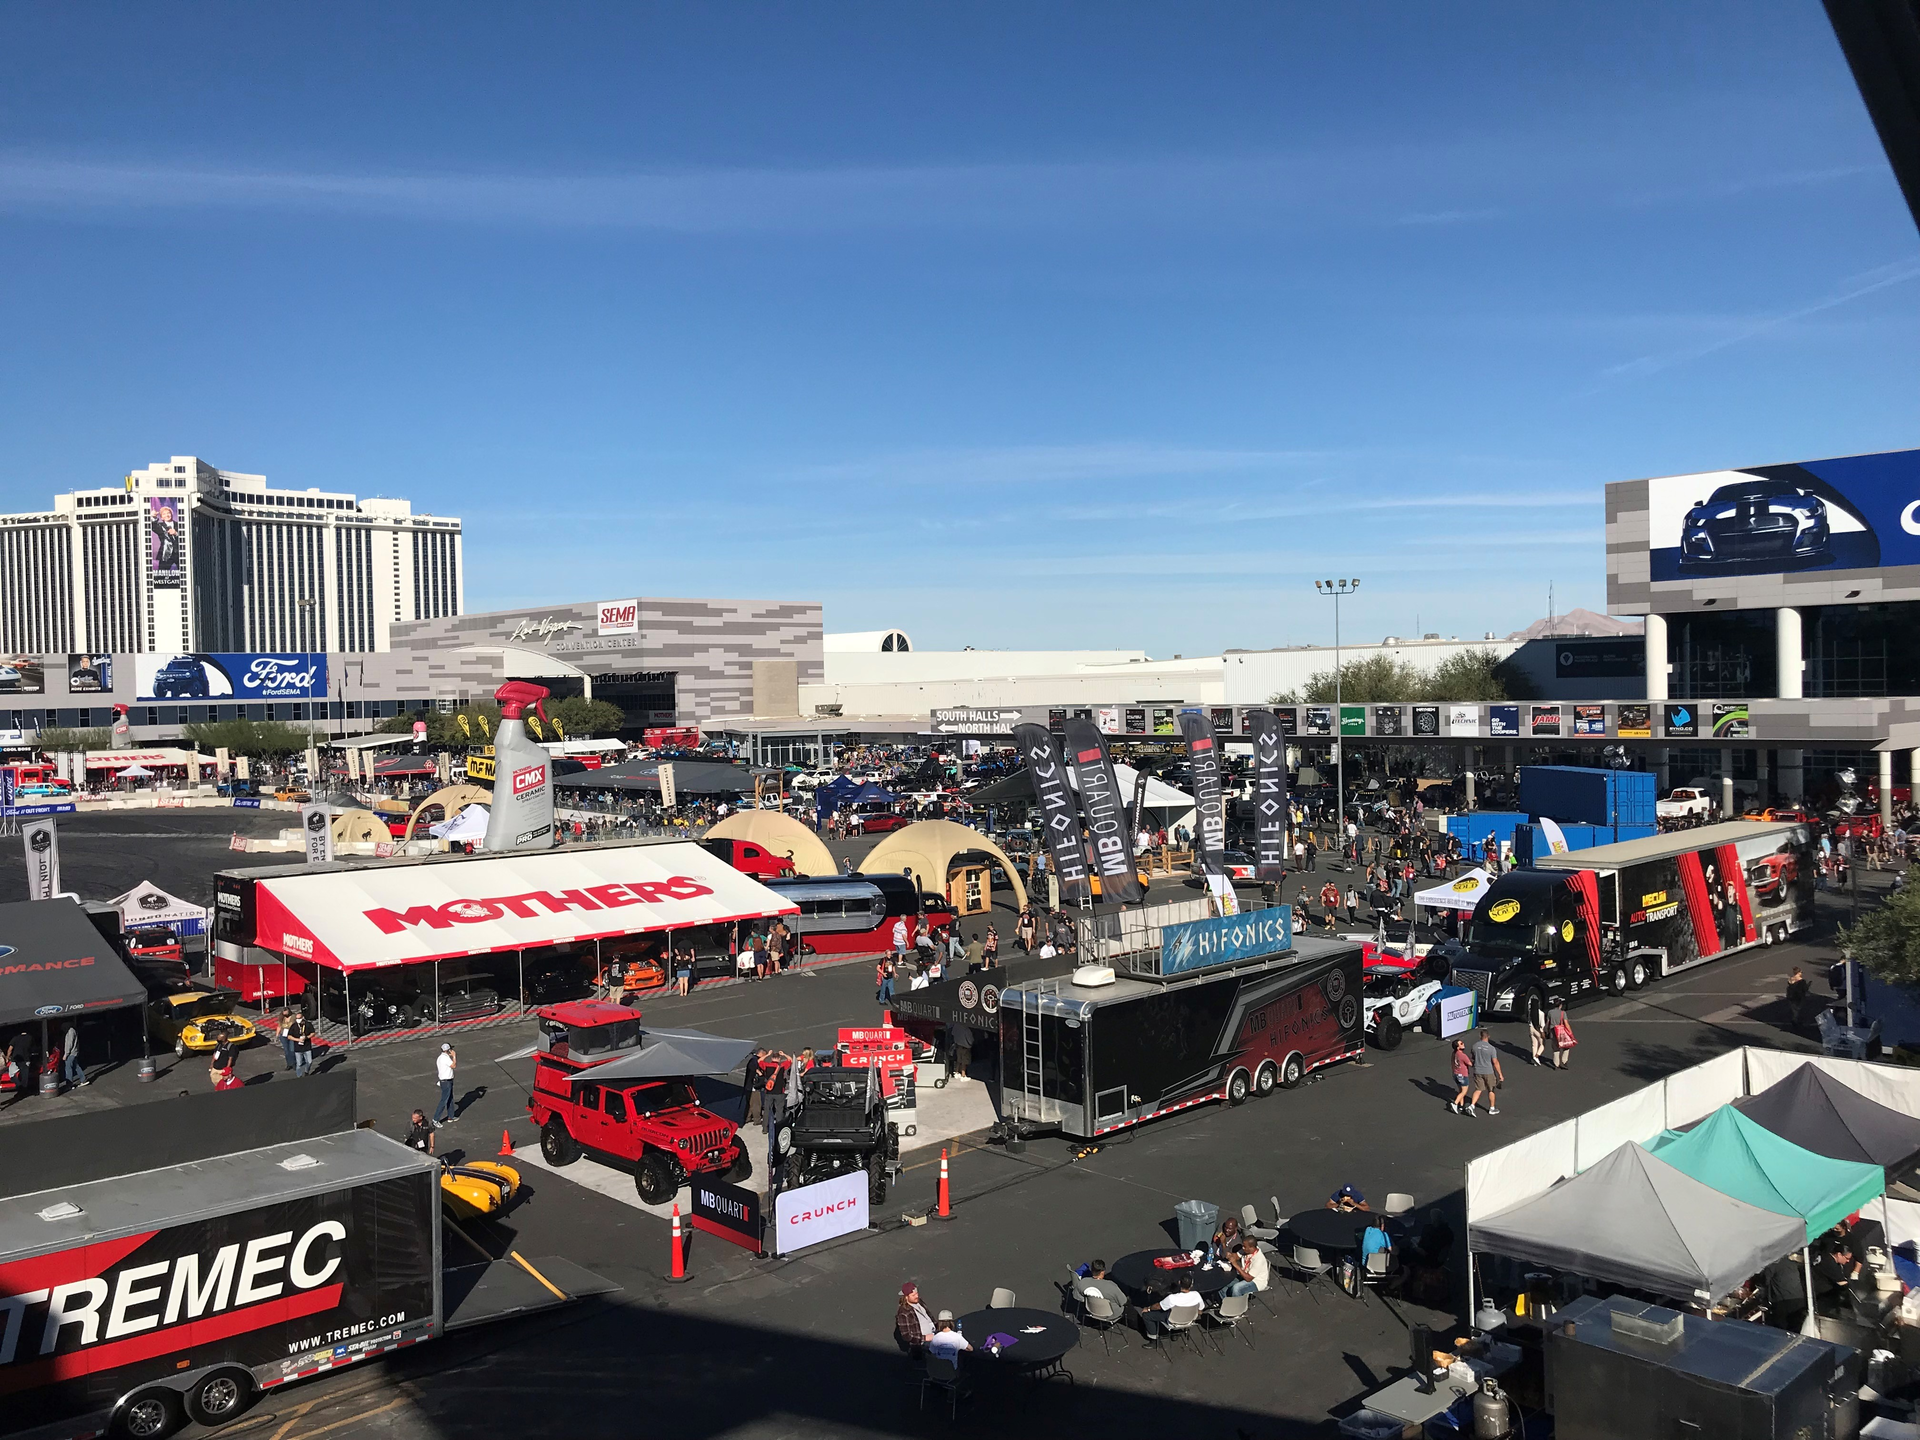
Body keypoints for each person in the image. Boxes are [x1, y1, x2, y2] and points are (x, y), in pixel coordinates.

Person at [1143, 1275, 1204, 1341]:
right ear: (1191, 1285)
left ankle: (1153, 1340)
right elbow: (1200, 1311)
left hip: (1173, 1321)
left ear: (1179, 1282)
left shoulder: (1172, 1298)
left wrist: (1148, 1308)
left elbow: (1158, 1306)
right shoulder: (1197, 1295)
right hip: (1189, 1320)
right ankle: (1176, 1333)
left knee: (1147, 1316)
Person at [1467, 1028, 1504, 1116]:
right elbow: (1495, 1062)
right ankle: (1492, 1108)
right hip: (1488, 1071)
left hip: (1477, 1071)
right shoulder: (1491, 1048)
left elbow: (1472, 1058)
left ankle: (1472, 1106)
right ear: (1488, 1037)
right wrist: (1500, 1075)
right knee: (1491, 1090)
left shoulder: (1474, 1046)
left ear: (1480, 1036)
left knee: (1478, 1089)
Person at [895, 1282, 935, 1355]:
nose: (917, 1296)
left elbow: (929, 1317)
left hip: (933, 1337)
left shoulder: (919, 1302)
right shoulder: (903, 1313)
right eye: (913, 1295)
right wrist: (924, 1338)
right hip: (921, 1346)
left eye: (917, 1293)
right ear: (906, 1297)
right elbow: (906, 1336)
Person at [1447, 1038, 1474, 1114]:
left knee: (1460, 1090)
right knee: (1464, 1091)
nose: (1463, 1044)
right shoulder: (1462, 1055)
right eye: (1461, 1043)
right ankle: (1455, 1103)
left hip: (1456, 1074)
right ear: (1458, 1047)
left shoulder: (1454, 1053)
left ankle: (1461, 1106)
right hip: (1463, 1075)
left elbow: (1452, 1063)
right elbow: (1470, 1064)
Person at [433, 1042, 457, 1126]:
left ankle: (451, 1116)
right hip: (446, 1082)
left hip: (447, 1081)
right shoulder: (445, 1058)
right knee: (444, 1100)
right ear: (448, 1050)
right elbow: (453, 1066)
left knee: (450, 1098)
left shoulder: (441, 1057)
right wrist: (454, 1056)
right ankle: (435, 1119)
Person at [287, 1008, 314, 1077]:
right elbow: (289, 1036)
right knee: (299, 1063)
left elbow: (313, 1033)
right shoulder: (294, 1026)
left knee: (309, 1061)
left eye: (299, 1018)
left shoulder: (308, 1024)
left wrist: (307, 1037)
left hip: (307, 1046)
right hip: (298, 1048)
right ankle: (299, 1076)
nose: (297, 1020)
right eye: (296, 1018)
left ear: (303, 1018)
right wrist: (297, 1040)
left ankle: (306, 1071)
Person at [1545, 1001, 1572, 1070]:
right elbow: (1566, 1023)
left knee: (1556, 1048)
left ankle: (1556, 1064)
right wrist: (1570, 1033)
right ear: (1560, 1005)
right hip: (1561, 1032)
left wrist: (1547, 1031)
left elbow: (1548, 1023)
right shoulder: (1563, 1013)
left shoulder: (1550, 1012)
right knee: (1566, 1047)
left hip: (1553, 1032)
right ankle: (1564, 1061)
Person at [61, 1021, 85, 1089]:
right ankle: (83, 1079)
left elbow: (69, 1044)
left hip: (71, 1053)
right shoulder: (73, 1030)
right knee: (76, 1066)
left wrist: (66, 1054)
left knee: (68, 1068)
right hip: (74, 1052)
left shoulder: (70, 1032)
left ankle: (69, 1084)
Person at [1527, 1003, 1548, 1067]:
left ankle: (1535, 1061)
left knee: (1534, 1045)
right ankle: (1536, 1056)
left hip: (1531, 1028)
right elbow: (1542, 1025)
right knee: (1542, 1044)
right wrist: (1543, 1032)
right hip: (1538, 1030)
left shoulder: (1530, 1012)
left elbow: (1529, 1021)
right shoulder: (1541, 1013)